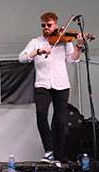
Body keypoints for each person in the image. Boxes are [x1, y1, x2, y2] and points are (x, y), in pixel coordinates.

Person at [19, 12, 84, 165]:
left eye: (49, 25)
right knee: (41, 115)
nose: (46, 28)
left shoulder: (65, 41)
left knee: (59, 121)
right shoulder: (35, 42)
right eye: (43, 25)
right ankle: (49, 150)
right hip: (42, 85)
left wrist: (79, 46)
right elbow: (22, 58)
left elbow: (72, 61)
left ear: (56, 25)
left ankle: (58, 156)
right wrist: (38, 52)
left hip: (62, 85)